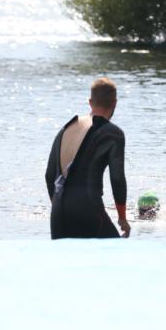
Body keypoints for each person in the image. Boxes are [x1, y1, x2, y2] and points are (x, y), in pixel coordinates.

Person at [45, 77, 130, 240]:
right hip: (88, 209)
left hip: (58, 212)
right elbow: (117, 178)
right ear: (114, 104)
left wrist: (59, 207)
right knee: (116, 254)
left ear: (90, 102)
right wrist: (122, 218)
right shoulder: (113, 134)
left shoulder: (66, 128)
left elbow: (49, 175)